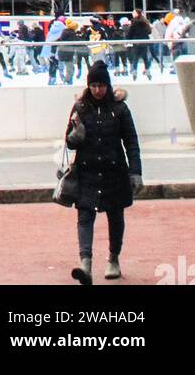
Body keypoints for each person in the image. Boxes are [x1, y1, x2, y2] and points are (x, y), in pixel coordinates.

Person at [66, 60, 143, 286]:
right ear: (88, 86)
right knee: (85, 215)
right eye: (94, 86)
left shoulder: (119, 109)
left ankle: (113, 259)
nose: (98, 90)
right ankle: (85, 264)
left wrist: (135, 171)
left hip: (114, 171)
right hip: (87, 170)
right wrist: (75, 136)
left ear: (108, 86)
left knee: (115, 215)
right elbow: (69, 142)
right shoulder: (80, 108)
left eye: (102, 86)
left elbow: (131, 142)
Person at [128, 9, 152, 81]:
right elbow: (149, 31)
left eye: (133, 12)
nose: (132, 14)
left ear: (137, 14)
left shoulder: (134, 22)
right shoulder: (145, 22)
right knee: (145, 58)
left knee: (135, 58)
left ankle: (135, 71)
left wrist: (129, 39)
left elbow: (130, 33)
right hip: (144, 42)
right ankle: (147, 70)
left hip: (136, 42)